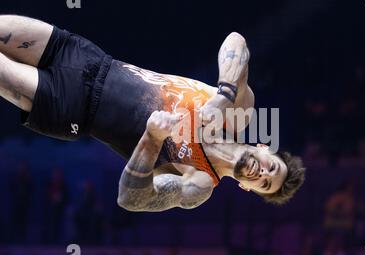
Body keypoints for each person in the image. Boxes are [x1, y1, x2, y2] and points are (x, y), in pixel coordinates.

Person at [0, 15, 305, 212]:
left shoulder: (199, 182)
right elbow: (237, 40)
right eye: (271, 168)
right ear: (265, 149)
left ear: (247, 188)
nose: (262, 173)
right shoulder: (238, 112)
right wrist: (223, 96)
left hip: (71, 107)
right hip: (86, 57)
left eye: (264, 183)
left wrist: (152, 138)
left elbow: (130, 199)